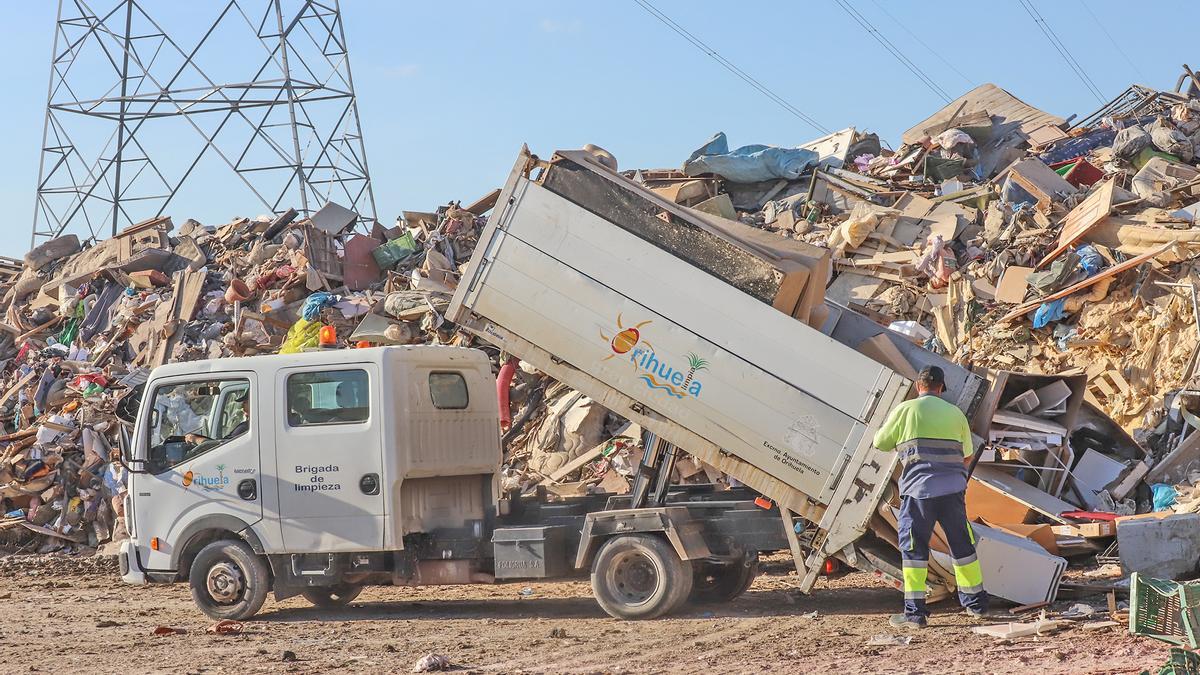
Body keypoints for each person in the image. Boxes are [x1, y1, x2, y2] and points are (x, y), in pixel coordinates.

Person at [872, 365, 988, 628]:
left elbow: (880, 442)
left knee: (914, 550)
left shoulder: (905, 411)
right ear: (941, 388)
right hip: (952, 492)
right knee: (962, 546)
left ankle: (915, 614)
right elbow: (967, 455)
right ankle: (976, 606)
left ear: (918, 386)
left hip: (919, 493)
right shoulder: (955, 414)